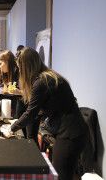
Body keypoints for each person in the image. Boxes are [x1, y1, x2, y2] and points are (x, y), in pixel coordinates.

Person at [7, 47, 88, 180]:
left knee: (61, 175)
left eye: (20, 67)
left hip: (70, 134)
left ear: (27, 67)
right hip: (73, 130)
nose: (19, 71)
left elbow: (30, 113)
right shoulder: (48, 76)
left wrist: (11, 128)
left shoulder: (41, 82)